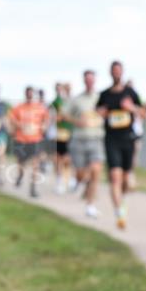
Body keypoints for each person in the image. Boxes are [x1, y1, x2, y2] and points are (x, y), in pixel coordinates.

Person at [97, 61, 144, 229]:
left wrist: (131, 108)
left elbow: (142, 112)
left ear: (122, 72)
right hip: (111, 139)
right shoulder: (104, 95)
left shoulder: (130, 92)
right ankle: (119, 212)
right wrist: (101, 114)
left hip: (128, 139)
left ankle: (122, 201)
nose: (116, 73)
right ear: (110, 73)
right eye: (114, 71)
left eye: (119, 71)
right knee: (115, 177)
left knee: (125, 179)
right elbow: (98, 113)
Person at [65, 70, 105, 218]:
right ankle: (79, 181)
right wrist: (77, 121)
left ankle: (90, 206)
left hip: (96, 139)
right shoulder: (76, 100)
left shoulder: (101, 98)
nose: (90, 82)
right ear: (84, 81)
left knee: (95, 171)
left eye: (92, 79)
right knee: (82, 174)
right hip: (79, 140)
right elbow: (65, 115)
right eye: (87, 79)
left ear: (95, 80)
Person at [7, 86, 50, 198]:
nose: (30, 96)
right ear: (25, 95)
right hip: (21, 139)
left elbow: (47, 119)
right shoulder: (19, 108)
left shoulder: (40, 108)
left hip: (36, 139)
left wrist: (44, 126)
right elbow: (11, 118)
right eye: (28, 94)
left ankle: (33, 189)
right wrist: (19, 125)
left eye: (31, 94)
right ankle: (20, 176)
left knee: (35, 164)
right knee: (21, 164)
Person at [51, 83, 74, 193]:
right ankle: (60, 181)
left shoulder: (72, 102)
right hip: (60, 133)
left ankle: (69, 178)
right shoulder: (57, 102)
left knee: (68, 159)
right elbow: (56, 117)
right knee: (59, 159)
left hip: (70, 133)